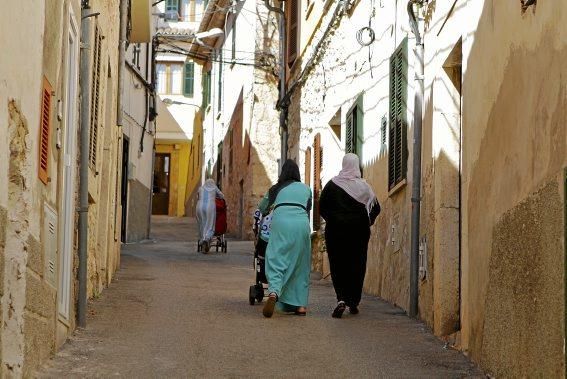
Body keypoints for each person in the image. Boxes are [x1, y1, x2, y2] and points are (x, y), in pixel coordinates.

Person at [319, 153, 380, 318]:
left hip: (336, 231)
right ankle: (353, 301)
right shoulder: (364, 187)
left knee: (338, 264)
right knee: (357, 264)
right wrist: (368, 222)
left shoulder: (332, 185)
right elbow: (376, 208)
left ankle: (341, 298)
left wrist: (334, 219)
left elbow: (322, 207)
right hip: (358, 231)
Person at [258, 160, 312, 318]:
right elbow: (307, 208)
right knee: (300, 263)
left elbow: (262, 207)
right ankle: (300, 305)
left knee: (276, 257)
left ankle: (274, 291)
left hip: (281, 222)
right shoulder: (306, 188)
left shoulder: (275, 189)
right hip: (301, 224)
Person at [196, 179, 224, 253]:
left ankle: (202, 239)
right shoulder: (214, 188)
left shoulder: (200, 188)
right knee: (210, 224)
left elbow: (197, 196)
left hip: (199, 207)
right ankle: (207, 238)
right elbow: (221, 196)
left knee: (202, 224)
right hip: (210, 208)